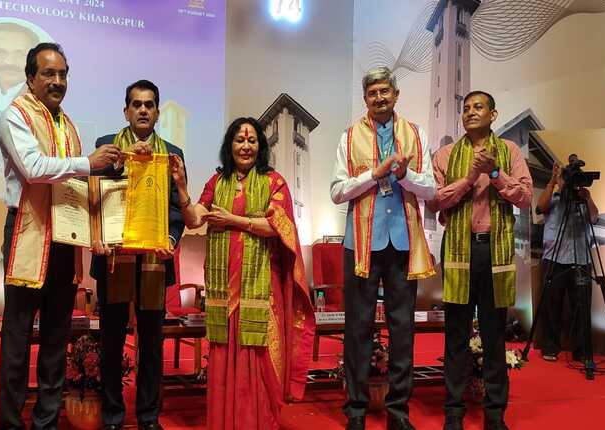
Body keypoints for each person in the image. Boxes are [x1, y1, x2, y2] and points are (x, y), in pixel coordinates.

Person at [0, 42, 121, 430]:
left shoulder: (67, 124)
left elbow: (73, 186)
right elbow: (33, 169)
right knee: (17, 338)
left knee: (55, 338)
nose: (57, 81)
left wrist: (107, 187)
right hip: (28, 235)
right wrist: (89, 164)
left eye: (63, 74)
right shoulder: (15, 114)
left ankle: (46, 420)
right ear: (30, 78)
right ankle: (10, 423)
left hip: (65, 238)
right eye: (48, 73)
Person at [169, 117, 314, 430]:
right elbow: (195, 219)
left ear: (260, 146)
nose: (246, 146)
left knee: (259, 354)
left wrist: (234, 219)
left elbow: (277, 227)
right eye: (239, 140)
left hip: (262, 287)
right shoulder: (217, 182)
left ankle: (260, 422)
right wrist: (181, 186)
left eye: (252, 140)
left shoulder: (274, 182)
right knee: (224, 352)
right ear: (229, 145)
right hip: (224, 288)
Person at [330, 66, 436, 430]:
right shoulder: (348, 137)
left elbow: (432, 190)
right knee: (357, 327)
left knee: (402, 327)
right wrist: (372, 175)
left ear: (396, 94)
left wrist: (406, 175)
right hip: (360, 244)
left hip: (403, 243)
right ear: (365, 99)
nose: (380, 98)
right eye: (373, 92)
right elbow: (336, 191)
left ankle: (398, 412)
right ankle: (356, 410)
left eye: (385, 91)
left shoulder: (416, 135)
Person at [428, 90, 532, 430]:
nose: (471, 112)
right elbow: (435, 201)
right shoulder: (446, 154)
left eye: (478, 107)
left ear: (493, 114)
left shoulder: (509, 152)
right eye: (466, 108)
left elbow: (527, 196)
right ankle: (454, 411)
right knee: (456, 334)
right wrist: (471, 177)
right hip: (459, 249)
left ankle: (494, 414)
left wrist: (496, 174)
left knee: (493, 334)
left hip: (495, 250)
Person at [90, 79, 185, 430]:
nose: (143, 109)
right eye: (136, 104)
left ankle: (148, 415)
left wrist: (173, 238)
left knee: (151, 342)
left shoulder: (172, 154)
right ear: (126, 110)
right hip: (115, 257)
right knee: (112, 341)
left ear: (158, 112)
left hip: (155, 261)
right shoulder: (106, 147)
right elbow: (96, 195)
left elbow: (177, 208)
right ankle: (112, 415)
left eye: (149, 104)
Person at [536, 162, 598, 362]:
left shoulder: (582, 201)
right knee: (552, 306)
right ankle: (550, 347)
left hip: (580, 259)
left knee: (581, 306)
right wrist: (554, 181)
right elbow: (539, 207)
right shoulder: (553, 199)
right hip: (555, 258)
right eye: (566, 179)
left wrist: (587, 198)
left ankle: (580, 350)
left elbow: (594, 217)